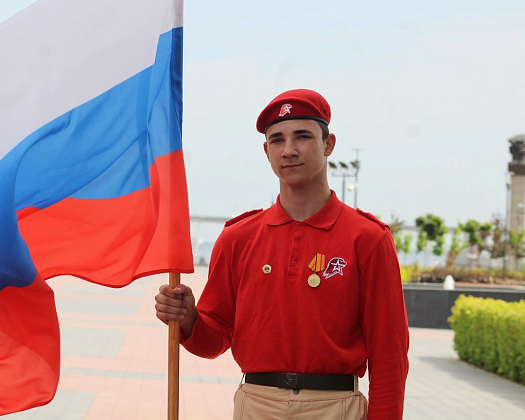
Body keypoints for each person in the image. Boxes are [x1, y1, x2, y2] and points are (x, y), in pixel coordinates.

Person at [155, 89, 409, 420]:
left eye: (302, 136)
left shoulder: (369, 238)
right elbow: (214, 340)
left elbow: (389, 357)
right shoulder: (237, 238)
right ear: (266, 151)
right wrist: (189, 319)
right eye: (277, 140)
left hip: (336, 409)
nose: (289, 150)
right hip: (256, 405)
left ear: (328, 144)